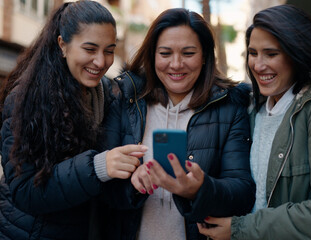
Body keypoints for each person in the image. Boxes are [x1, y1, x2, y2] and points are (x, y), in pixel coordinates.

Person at [0, 1, 147, 239]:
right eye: (90, 49)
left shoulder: (106, 94)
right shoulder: (28, 98)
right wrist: (98, 166)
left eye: (109, 51)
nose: (101, 62)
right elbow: (25, 190)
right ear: (63, 45)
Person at [97, 8, 255, 240]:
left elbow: (242, 194)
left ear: (204, 57)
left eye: (188, 53)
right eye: (165, 53)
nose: (176, 64)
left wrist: (200, 189)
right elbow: (101, 189)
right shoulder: (125, 99)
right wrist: (133, 184)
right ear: (152, 55)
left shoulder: (230, 107)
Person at [198, 4, 311, 240]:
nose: (259, 65)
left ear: (296, 53)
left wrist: (242, 229)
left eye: (272, 54)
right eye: (253, 53)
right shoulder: (253, 110)